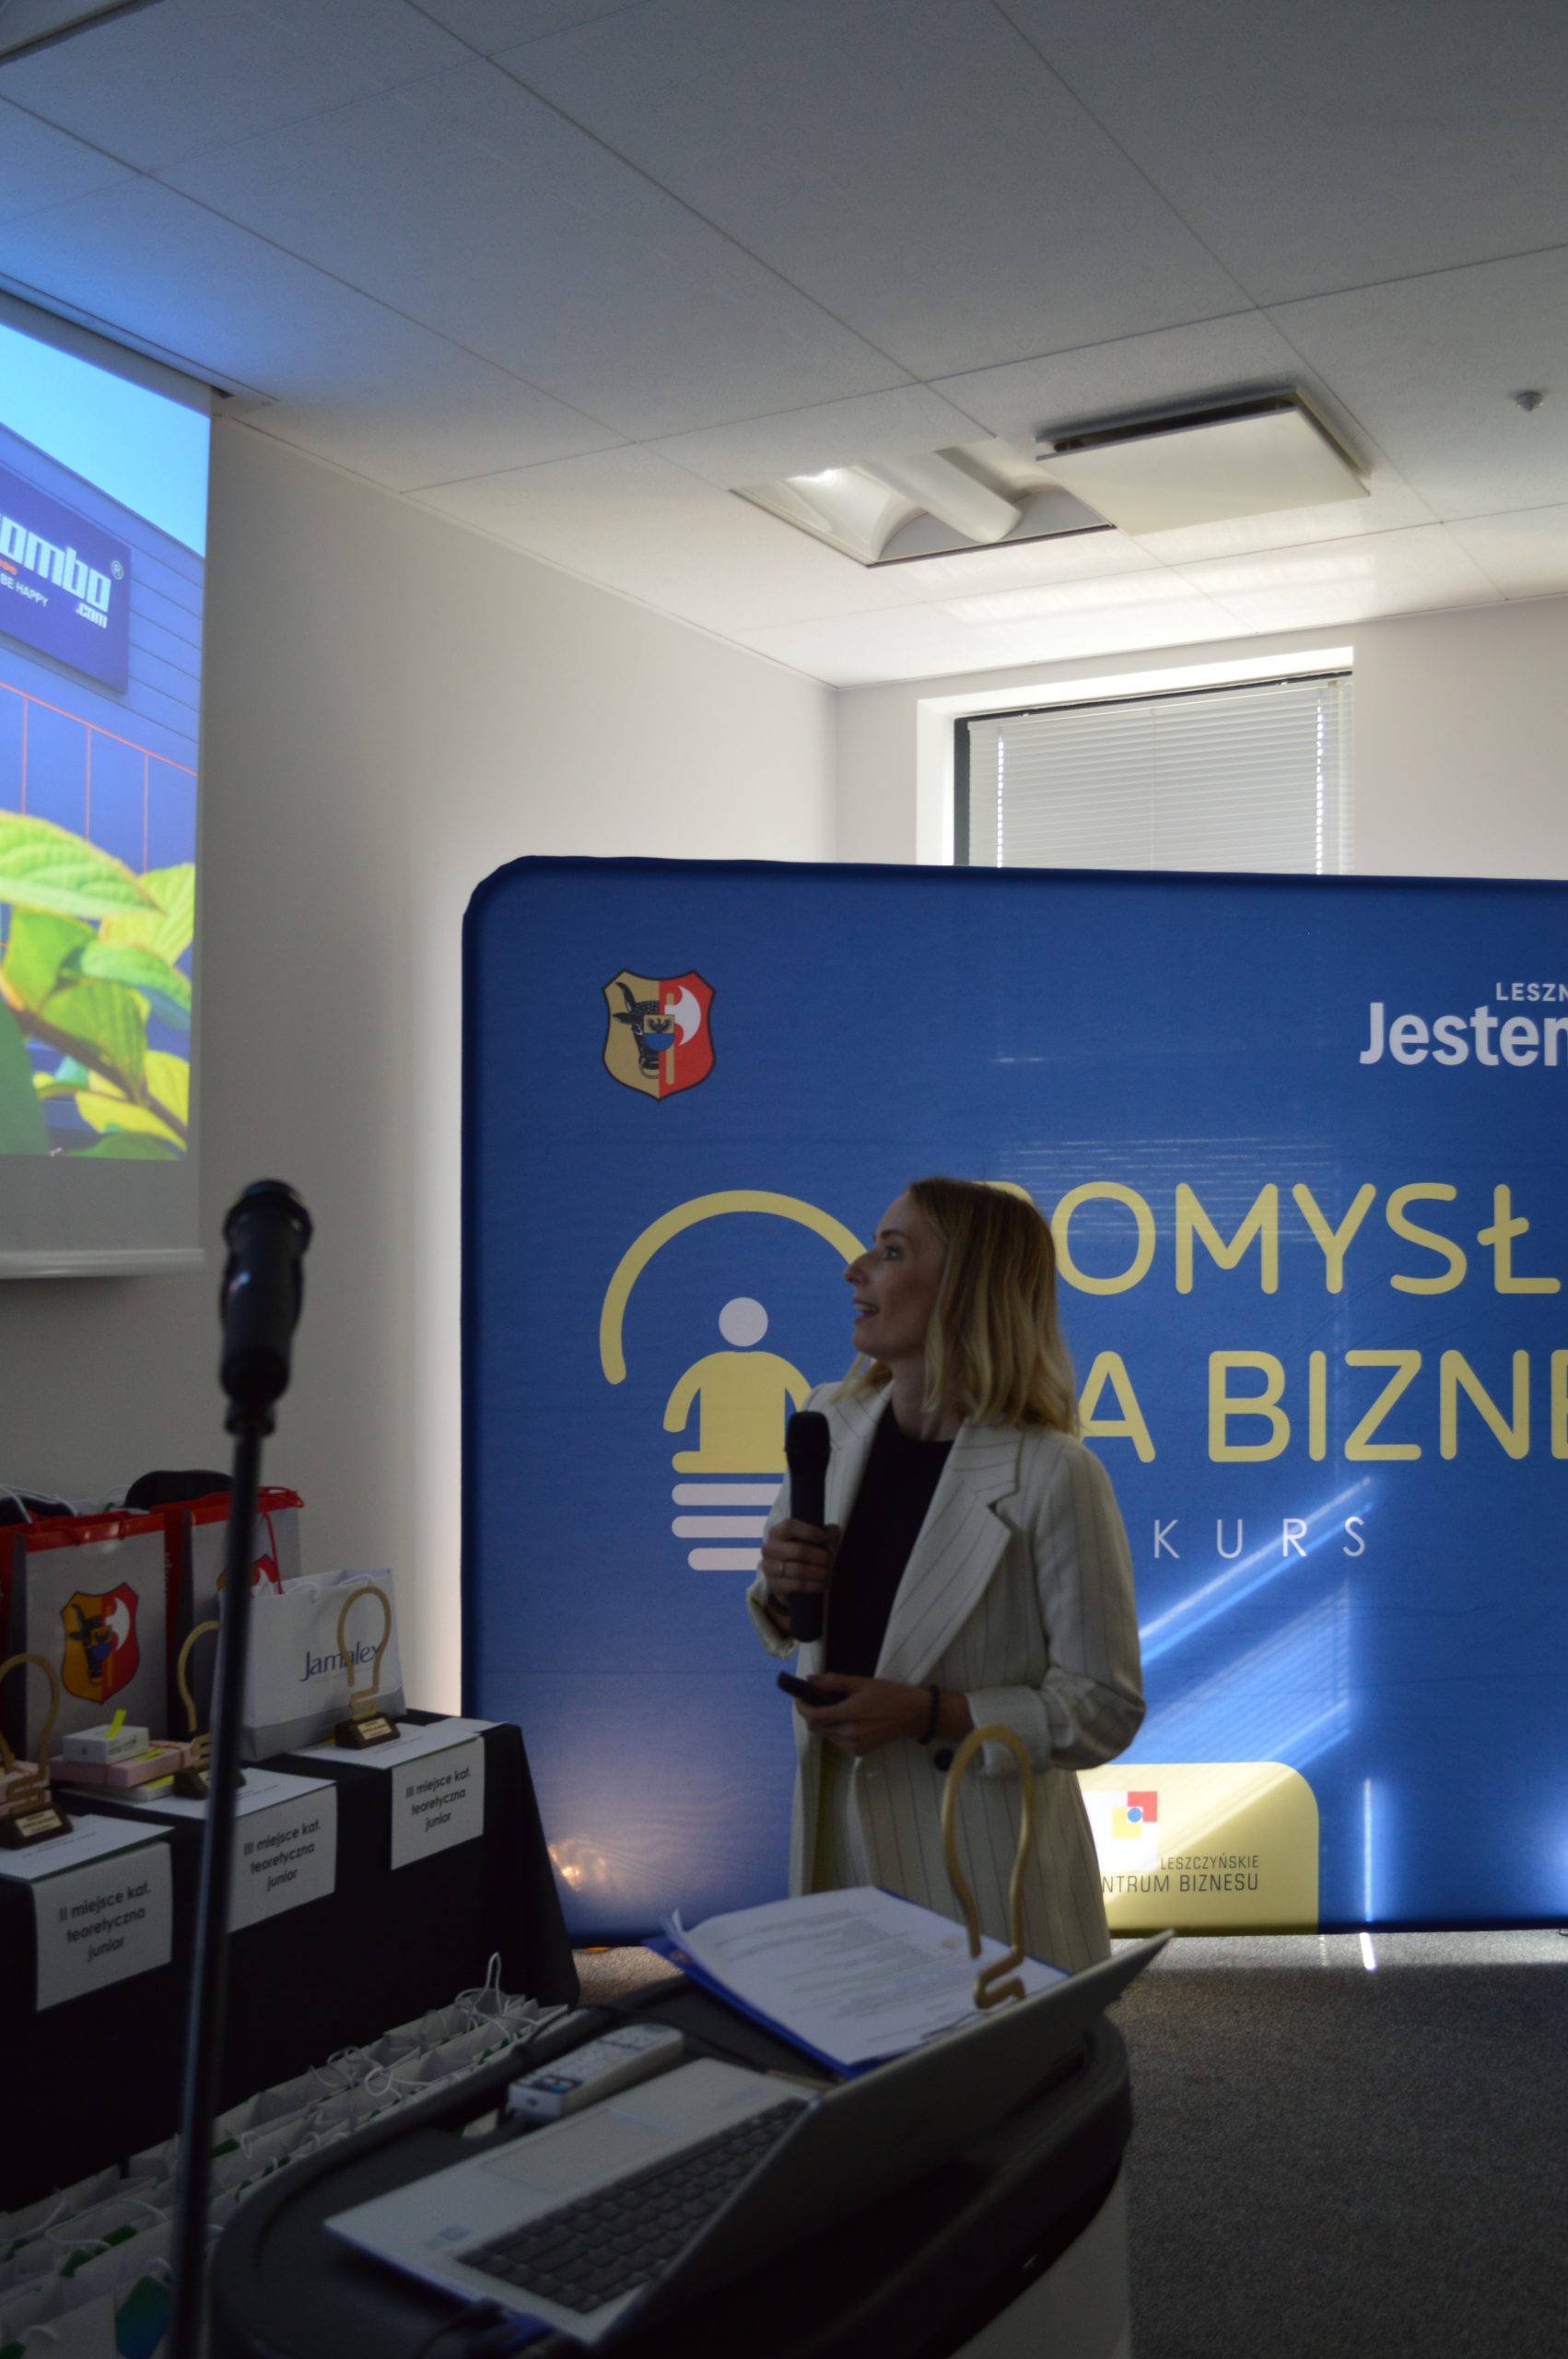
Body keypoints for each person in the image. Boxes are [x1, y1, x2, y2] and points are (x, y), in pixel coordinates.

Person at [747, 1177, 1143, 1973]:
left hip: (986, 1887)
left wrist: (933, 1714)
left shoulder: (1054, 1474)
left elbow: (1103, 1709)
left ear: (966, 1287)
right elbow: (788, 1619)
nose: (855, 1269)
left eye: (892, 1252)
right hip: (838, 1859)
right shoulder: (829, 1422)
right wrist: (783, 1588)